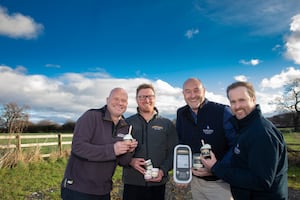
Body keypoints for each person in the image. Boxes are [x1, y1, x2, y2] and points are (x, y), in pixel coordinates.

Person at [201, 81, 288, 200]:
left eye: (242, 100)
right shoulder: (245, 128)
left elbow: (261, 181)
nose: (237, 106)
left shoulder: (261, 133)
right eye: (233, 102)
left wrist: (216, 167)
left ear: (253, 99)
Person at [61, 87, 138, 200]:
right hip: (78, 189)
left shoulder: (125, 127)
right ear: (107, 100)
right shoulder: (91, 116)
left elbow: (123, 162)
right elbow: (78, 147)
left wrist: (129, 151)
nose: (120, 103)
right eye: (116, 99)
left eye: (124, 100)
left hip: (103, 191)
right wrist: (112, 150)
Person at [176, 78, 235, 200]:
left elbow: (236, 146)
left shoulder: (223, 111)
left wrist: (216, 168)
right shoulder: (181, 113)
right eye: (188, 91)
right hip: (195, 182)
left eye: (196, 90)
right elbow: (181, 144)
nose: (192, 95)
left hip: (221, 184)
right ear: (183, 94)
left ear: (204, 91)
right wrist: (183, 173)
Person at [122, 83, 178, 200]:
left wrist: (162, 171)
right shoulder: (126, 123)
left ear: (155, 98)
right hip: (132, 183)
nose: (146, 100)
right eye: (142, 97)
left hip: (158, 183)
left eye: (149, 96)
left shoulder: (166, 124)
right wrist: (130, 161)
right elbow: (116, 152)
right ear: (136, 100)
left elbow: (174, 152)